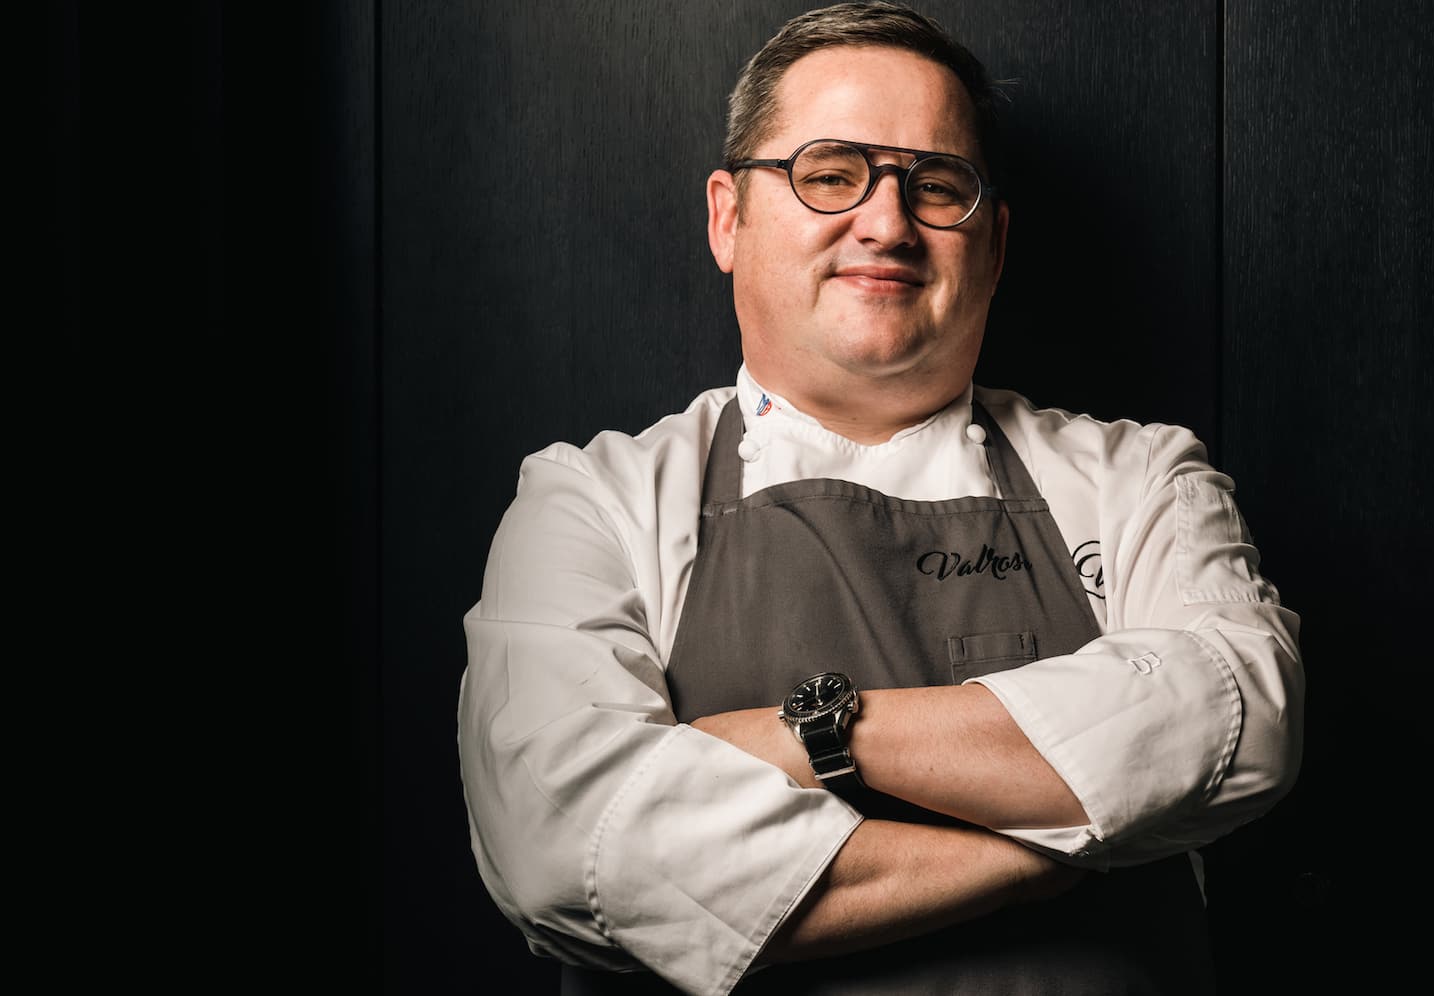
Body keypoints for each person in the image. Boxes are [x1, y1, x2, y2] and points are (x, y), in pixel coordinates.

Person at [457, 3, 1303, 993]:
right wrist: (1055, 853)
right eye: (829, 174)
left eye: (936, 185)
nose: (889, 224)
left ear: (993, 244)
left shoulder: (1136, 478)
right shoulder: (593, 501)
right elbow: (569, 848)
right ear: (729, 217)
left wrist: (809, 736)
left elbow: (1239, 720)